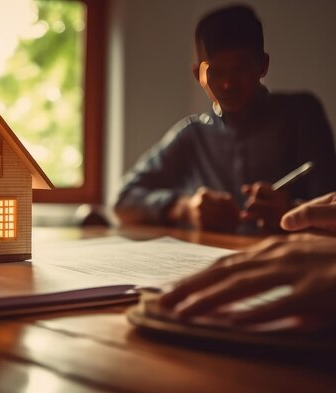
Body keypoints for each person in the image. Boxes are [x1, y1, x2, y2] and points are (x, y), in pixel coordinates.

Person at [114, 5, 336, 232]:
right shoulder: (193, 134)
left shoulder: (301, 114)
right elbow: (123, 200)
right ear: (198, 75)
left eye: (240, 69)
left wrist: (292, 209)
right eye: (216, 72)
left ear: (262, 65)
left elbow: (332, 205)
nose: (228, 84)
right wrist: (186, 208)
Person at [159, 192, 336, 332]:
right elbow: (130, 192)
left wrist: (291, 205)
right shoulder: (189, 144)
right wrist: (185, 207)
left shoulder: (310, 146)